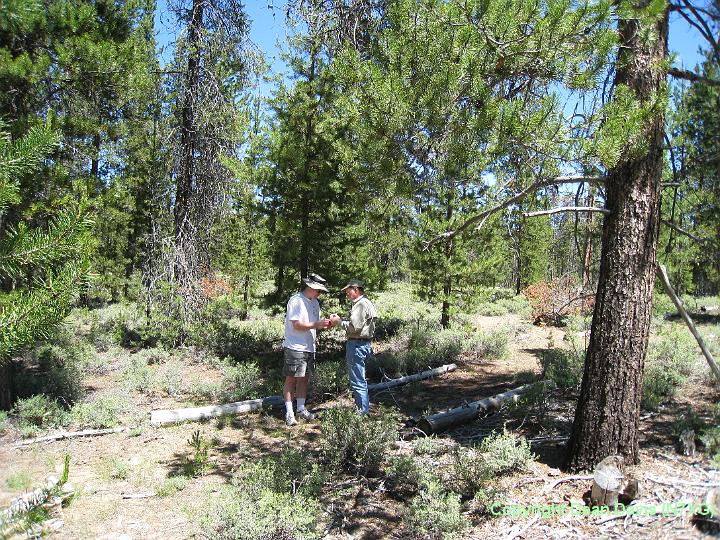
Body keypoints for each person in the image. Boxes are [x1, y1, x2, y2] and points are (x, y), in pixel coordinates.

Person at [282, 273, 331, 426]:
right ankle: (289, 413)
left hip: (310, 347)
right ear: (310, 287)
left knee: (304, 378)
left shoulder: (315, 303)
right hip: (295, 346)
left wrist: (324, 325)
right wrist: (316, 324)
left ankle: (301, 408)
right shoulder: (296, 301)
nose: (319, 293)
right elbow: (296, 325)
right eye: (318, 290)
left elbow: (313, 324)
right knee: (291, 379)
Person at [330, 279, 378, 415]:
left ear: (356, 290)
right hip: (363, 344)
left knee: (357, 381)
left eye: (348, 291)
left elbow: (354, 328)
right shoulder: (367, 302)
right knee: (360, 379)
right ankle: (363, 410)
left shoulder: (360, 304)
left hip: (357, 345)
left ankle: (361, 412)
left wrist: (338, 322)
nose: (347, 294)